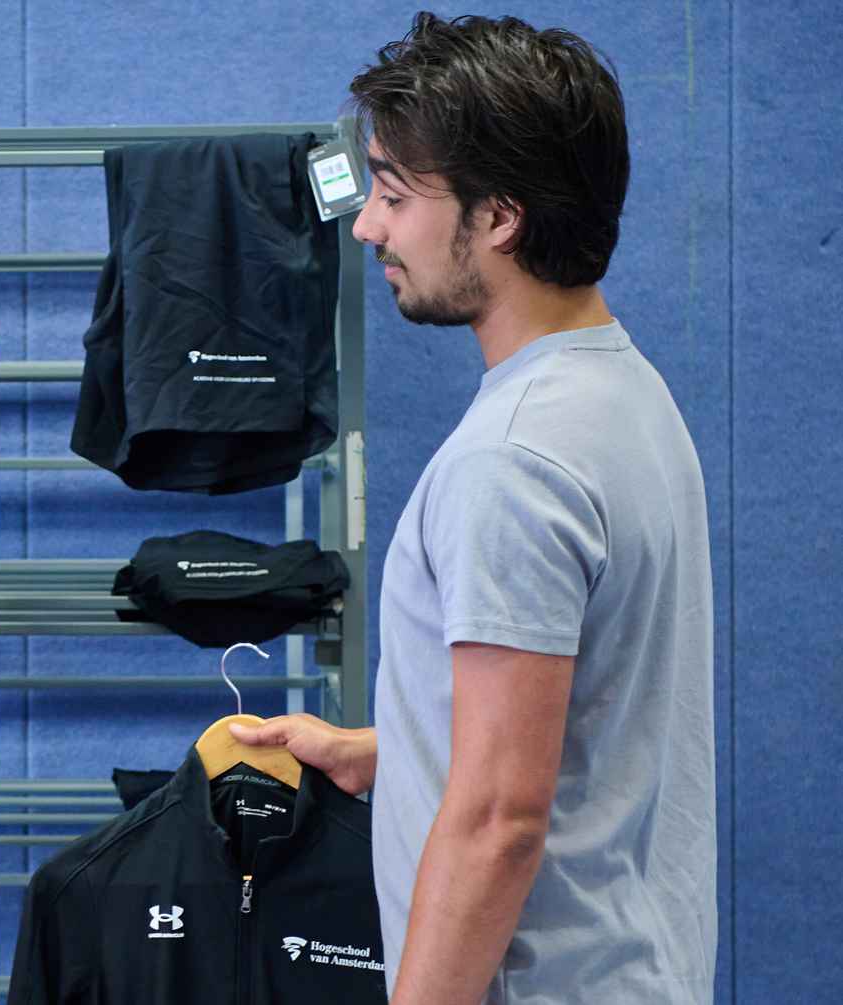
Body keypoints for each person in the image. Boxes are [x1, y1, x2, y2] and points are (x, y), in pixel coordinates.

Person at [235, 13, 716, 1004]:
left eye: (396, 194)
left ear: (498, 218)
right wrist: (389, 755)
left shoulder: (514, 462)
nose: (367, 225)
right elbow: (586, 714)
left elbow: (500, 819)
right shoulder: (622, 393)